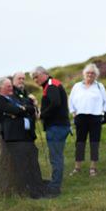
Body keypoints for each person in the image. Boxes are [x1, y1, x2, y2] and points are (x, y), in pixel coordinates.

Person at [0, 77, 49, 199]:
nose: (11, 88)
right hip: (15, 139)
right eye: (8, 86)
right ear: (0, 88)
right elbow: (16, 110)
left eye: (10, 85)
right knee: (23, 166)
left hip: (26, 137)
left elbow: (27, 109)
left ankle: (40, 189)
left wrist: (23, 109)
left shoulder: (13, 98)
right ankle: (30, 192)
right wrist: (22, 110)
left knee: (34, 164)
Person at [31, 66, 70, 197]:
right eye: (33, 78)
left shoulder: (52, 85)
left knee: (56, 158)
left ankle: (54, 188)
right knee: (56, 157)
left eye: (36, 76)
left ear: (44, 74)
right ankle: (54, 183)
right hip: (58, 126)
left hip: (57, 127)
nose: (35, 80)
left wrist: (41, 115)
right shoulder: (50, 85)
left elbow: (55, 104)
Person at [68, 63, 106, 177]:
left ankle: (93, 168)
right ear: (84, 74)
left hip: (95, 117)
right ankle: (77, 167)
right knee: (80, 142)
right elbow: (70, 100)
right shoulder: (77, 86)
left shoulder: (99, 86)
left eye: (92, 73)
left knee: (94, 142)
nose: (90, 75)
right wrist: (73, 112)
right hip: (80, 117)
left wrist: (103, 113)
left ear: (96, 75)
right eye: (88, 73)